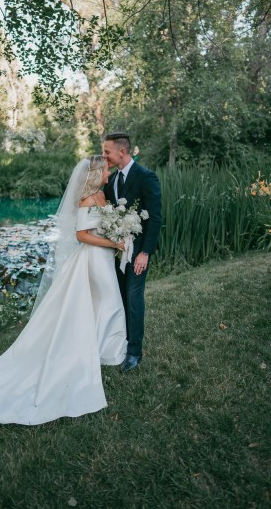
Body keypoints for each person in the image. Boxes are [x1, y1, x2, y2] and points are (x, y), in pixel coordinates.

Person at [0, 156, 127, 425]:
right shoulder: (87, 200)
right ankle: (108, 351)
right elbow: (82, 235)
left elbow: (106, 224)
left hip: (104, 258)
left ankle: (104, 349)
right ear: (96, 173)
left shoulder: (101, 194)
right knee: (110, 301)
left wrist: (119, 233)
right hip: (93, 258)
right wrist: (112, 242)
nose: (109, 174)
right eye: (106, 171)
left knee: (104, 303)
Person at [102, 132, 162, 373]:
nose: (104, 156)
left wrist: (145, 252)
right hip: (116, 251)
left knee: (134, 297)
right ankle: (121, 341)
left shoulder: (146, 177)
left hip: (137, 252)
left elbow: (155, 218)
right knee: (120, 297)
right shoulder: (112, 180)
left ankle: (135, 352)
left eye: (107, 152)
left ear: (122, 152)